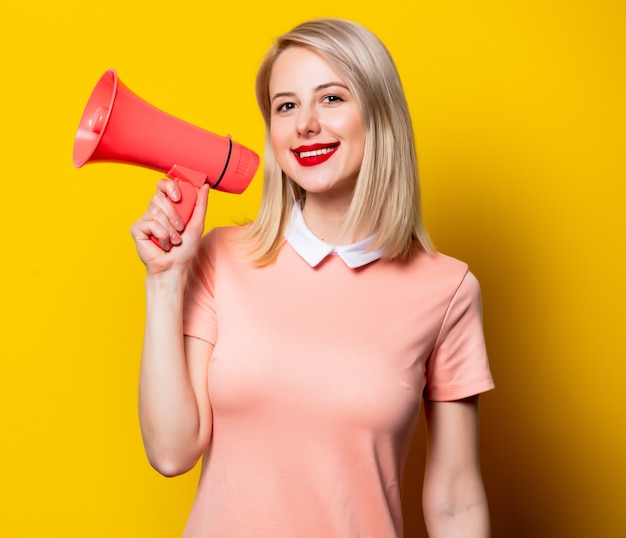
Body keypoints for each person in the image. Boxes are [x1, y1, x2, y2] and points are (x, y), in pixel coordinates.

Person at [130, 17, 495, 538]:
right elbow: (171, 451)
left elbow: (456, 499)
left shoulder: (447, 289)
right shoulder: (222, 257)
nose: (304, 124)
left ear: (379, 114)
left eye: (331, 98)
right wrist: (165, 280)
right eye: (286, 105)